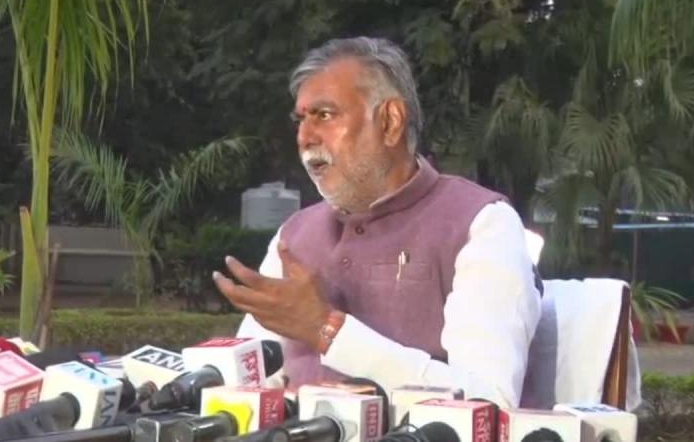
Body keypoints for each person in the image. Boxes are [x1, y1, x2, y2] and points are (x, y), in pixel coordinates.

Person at [212, 37, 541, 408]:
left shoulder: (480, 224)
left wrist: (327, 330)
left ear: (390, 121)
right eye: (300, 120)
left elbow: (487, 402)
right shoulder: (295, 235)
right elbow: (248, 377)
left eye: (324, 115)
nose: (305, 138)